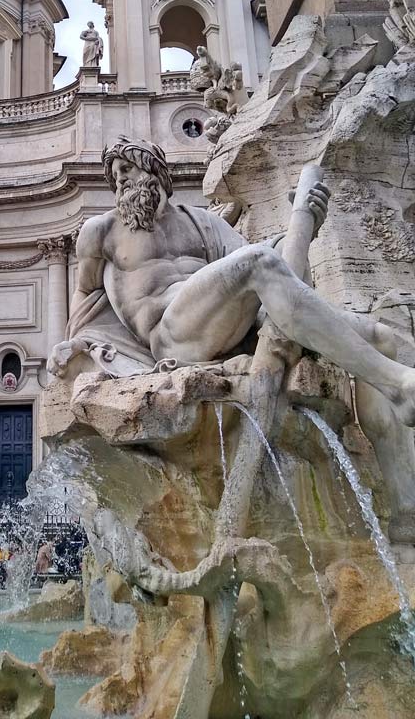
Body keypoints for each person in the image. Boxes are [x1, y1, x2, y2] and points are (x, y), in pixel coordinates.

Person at [48, 135, 415, 540]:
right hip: (171, 335)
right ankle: (398, 384)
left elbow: (275, 267)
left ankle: (405, 510)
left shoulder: (202, 222)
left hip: (229, 324)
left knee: (380, 337)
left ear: (154, 171)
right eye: (114, 177)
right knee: (259, 259)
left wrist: (304, 225)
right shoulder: (100, 231)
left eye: (127, 171)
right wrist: (78, 345)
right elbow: (85, 299)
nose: (119, 183)